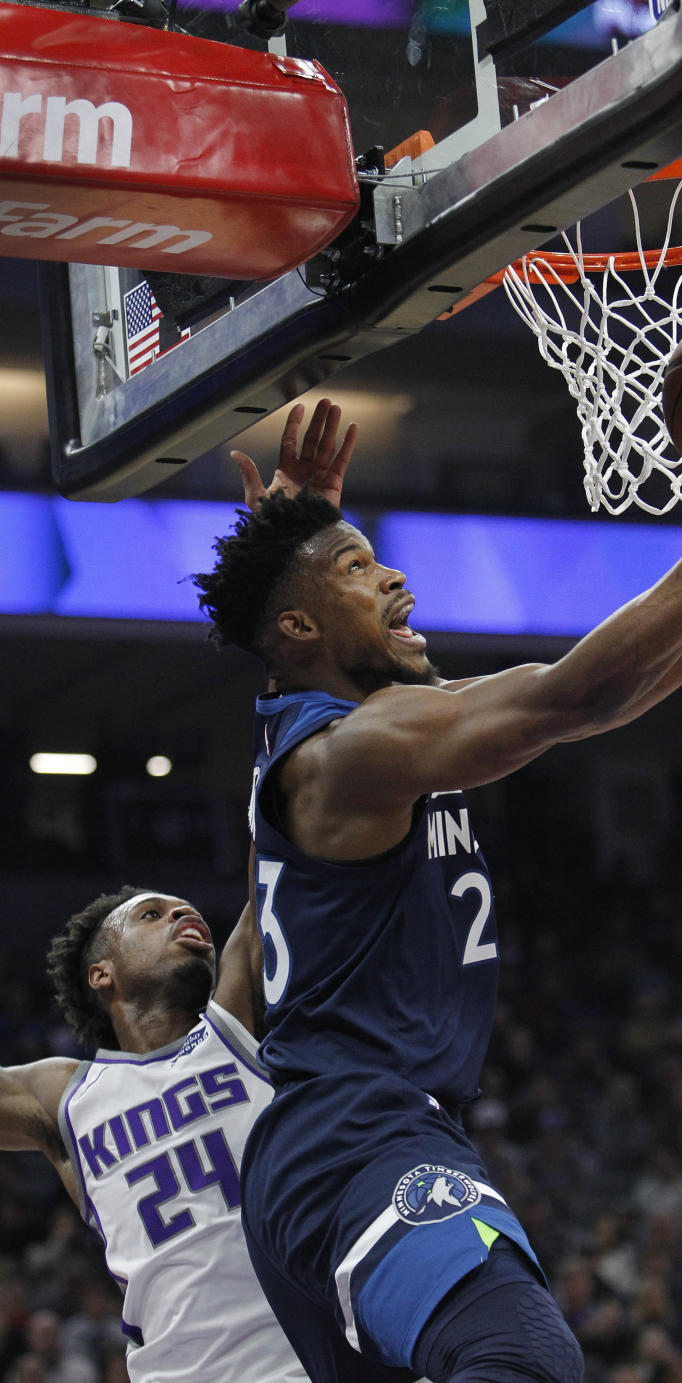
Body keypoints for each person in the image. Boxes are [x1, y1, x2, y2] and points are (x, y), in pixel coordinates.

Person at [194, 369, 682, 1383]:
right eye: (359, 566)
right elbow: (571, 700)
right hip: (354, 1137)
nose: (393, 579)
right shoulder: (358, 750)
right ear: (300, 630)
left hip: (338, 1146)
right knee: (522, 1357)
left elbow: (591, 699)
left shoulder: (349, 730)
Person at [0, 400, 357, 1383]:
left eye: (181, 905)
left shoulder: (235, 1020)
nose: (183, 912)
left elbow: (274, 826)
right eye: (152, 914)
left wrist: (287, 575)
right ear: (105, 974)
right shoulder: (63, 1096)